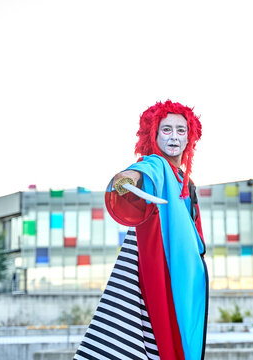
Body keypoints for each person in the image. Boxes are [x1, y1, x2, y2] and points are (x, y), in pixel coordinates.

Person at [74, 100, 208, 360]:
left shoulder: (186, 184)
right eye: (166, 129)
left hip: (186, 279)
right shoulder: (157, 166)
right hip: (161, 272)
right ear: (154, 134)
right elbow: (139, 172)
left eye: (181, 131)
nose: (174, 137)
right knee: (153, 337)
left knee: (182, 341)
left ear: (189, 137)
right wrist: (125, 181)